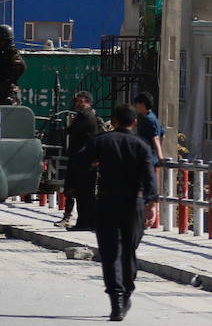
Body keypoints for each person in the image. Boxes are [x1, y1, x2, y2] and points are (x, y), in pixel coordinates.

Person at [73, 104, 158, 321]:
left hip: (107, 201)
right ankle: (127, 291)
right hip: (134, 204)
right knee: (129, 250)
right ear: (134, 122)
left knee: (110, 254)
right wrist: (152, 205)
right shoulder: (141, 146)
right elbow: (150, 179)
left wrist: (94, 164)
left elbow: (80, 162)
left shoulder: (101, 141)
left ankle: (116, 302)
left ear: (115, 121)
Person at [56, 90, 103, 230]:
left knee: (84, 194)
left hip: (83, 160)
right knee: (84, 193)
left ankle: (84, 223)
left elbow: (71, 130)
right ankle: (88, 222)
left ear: (86, 101)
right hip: (84, 159)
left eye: (79, 101)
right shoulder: (87, 115)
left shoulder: (85, 116)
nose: (77, 104)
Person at [133, 92, 164, 167]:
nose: (135, 106)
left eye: (137, 104)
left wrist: (160, 156)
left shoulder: (148, 119)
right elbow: (162, 134)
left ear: (142, 105)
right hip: (152, 157)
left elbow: (155, 137)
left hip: (148, 158)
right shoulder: (152, 117)